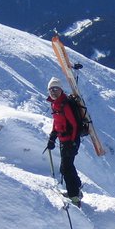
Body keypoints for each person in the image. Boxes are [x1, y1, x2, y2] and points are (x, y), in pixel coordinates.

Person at [45, 76, 83, 204]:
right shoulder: (55, 104)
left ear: (61, 89)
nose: (53, 92)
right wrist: (52, 137)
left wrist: (72, 142)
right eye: (51, 90)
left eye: (55, 89)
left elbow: (74, 125)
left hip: (70, 141)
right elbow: (57, 123)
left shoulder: (65, 104)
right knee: (67, 167)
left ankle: (74, 197)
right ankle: (77, 188)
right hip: (64, 140)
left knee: (65, 168)